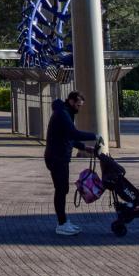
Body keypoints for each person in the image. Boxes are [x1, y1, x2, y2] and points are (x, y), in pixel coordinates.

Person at [44, 90, 98, 237]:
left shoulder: (65, 112)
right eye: (78, 105)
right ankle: (61, 224)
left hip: (59, 157)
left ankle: (63, 221)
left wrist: (84, 147)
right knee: (61, 190)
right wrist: (95, 136)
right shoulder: (62, 114)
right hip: (57, 158)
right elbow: (74, 133)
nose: (79, 108)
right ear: (72, 101)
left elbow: (69, 137)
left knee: (63, 189)